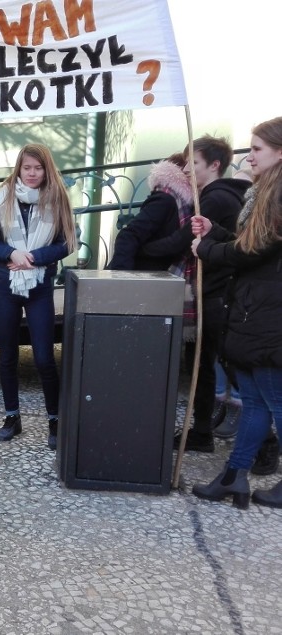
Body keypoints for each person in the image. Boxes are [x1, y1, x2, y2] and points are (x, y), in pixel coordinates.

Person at [136, 137, 250, 453]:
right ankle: (201, 433)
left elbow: (181, 241)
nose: (186, 169)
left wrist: (141, 248)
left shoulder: (215, 200)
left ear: (214, 166)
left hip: (214, 294)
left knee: (223, 368)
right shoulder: (211, 196)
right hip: (210, 291)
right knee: (201, 366)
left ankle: (263, 441)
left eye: (193, 163)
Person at [191, 116, 282, 508]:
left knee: (274, 402)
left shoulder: (277, 197)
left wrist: (206, 249)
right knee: (258, 402)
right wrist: (214, 231)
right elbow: (250, 243)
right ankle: (234, 477)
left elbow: (251, 252)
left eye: (257, 149)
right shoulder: (264, 193)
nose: (250, 156)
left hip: (269, 316)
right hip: (255, 312)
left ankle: (236, 476)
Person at [0, 144, 76, 450]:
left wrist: (31, 257)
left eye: (38, 168)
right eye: (27, 168)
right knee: (7, 356)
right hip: (7, 286)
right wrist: (11, 253)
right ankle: (12, 417)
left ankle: (55, 420)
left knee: (45, 358)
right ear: (18, 169)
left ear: (47, 169)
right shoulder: (1, 198)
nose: (32, 174)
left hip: (40, 286)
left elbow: (66, 244)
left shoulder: (57, 198)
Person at [108, 153, 191, 271]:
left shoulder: (181, 204)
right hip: (140, 277)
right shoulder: (165, 200)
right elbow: (128, 235)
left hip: (149, 277)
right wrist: (122, 279)